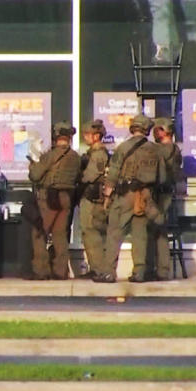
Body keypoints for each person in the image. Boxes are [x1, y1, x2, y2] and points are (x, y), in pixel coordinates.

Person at [93, 114, 166, 283]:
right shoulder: (156, 150)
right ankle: (139, 272)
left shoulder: (123, 148)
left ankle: (108, 272)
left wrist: (106, 197)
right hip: (145, 196)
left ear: (133, 127)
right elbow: (162, 178)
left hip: (125, 194)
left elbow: (112, 174)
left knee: (114, 233)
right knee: (140, 235)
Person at [27, 122, 81, 280]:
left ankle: (41, 271)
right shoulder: (75, 157)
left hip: (48, 198)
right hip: (66, 197)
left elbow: (35, 176)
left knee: (39, 233)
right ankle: (60, 271)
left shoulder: (50, 155)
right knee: (60, 235)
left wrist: (32, 167)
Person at [148, 116, 184, 281]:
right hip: (165, 192)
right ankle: (160, 269)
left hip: (160, 193)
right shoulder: (175, 149)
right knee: (159, 231)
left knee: (155, 230)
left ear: (163, 130)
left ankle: (158, 269)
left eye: (156, 129)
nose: (154, 132)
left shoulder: (165, 149)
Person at [77, 119, 110, 279]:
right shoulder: (92, 153)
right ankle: (95, 267)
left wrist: (78, 176)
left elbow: (90, 176)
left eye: (88, 134)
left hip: (93, 197)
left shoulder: (98, 154)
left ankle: (98, 268)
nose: (85, 137)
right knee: (88, 232)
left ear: (97, 136)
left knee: (91, 232)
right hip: (90, 196)